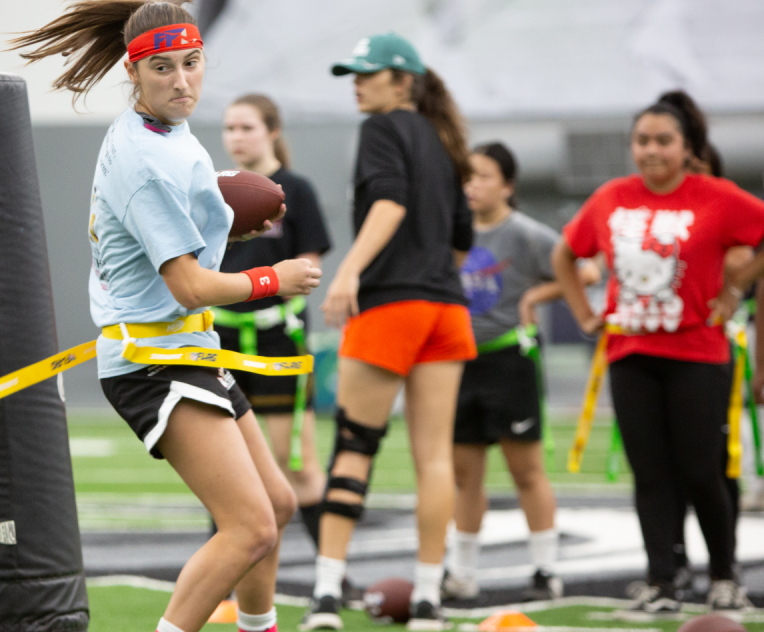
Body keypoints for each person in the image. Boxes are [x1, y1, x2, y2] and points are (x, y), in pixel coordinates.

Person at [10, 0, 322, 632]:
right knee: (249, 525)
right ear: (133, 72)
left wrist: (227, 230)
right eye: (163, 70)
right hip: (153, 359)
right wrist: (272, 277)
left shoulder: (162, 131)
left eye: (192, 63)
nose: (182, 82)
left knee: (279, 505)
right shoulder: (146, 159)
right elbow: (187, 285)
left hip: (186, 349)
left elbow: (176, 253)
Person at [552, 90, 764, 612]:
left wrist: (737, 289)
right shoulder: (610, 197)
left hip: (698, 353)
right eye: (642, 140)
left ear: (686, 148)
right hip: (630, 354)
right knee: (650, 472)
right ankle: (663, 580)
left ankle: (722, 574)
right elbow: (566, 252)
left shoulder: (715, 195)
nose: (651, 150)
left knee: (700, 470)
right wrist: (583, 313)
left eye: (664, 141)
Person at [302, 32, 475, 631]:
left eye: (367, 73)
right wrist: (429, 281)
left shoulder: (382, 130)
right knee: (434, 460)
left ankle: (326, 593)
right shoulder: (446, 141)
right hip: (446, 313)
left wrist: (348, 272)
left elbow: (390, 204)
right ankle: (429, 597)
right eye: (353, 72)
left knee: (354, 447)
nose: (357, 81)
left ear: (403, 80)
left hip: (392, 309)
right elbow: (461, 242)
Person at [441, 142, 600, 603]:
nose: (472, 185)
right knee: (464, 475)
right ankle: (463, 573)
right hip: (458, 363)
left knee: (526, 470)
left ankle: (545, 570)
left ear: (507, 186)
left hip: (510, 360)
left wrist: (534, 298)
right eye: (466, 177)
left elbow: (585, 273)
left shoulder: (527, 234)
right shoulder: (451, 232)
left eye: (484, 176)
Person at [216, 93, 332, 547]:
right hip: (220, 333)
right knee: (225, 461)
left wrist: (267, 285)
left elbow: (308, 269)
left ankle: (330, 574)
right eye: (229, 128)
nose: (236, 137)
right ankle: (227, 580)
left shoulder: (295, 189)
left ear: (272, 131)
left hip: (279, 335)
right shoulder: (212, 188)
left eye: (246, 127)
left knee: (294, 458)